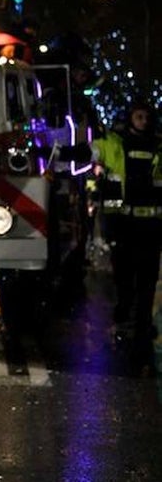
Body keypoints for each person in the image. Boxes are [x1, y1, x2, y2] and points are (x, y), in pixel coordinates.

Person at [91, 101, 162, 369]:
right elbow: (91, 151)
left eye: (146, 117)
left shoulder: (158, 147)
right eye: (139, 116)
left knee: (147, 279)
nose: (143, 121)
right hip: (124, 225)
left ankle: (141, 324)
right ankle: (126, 315)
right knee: (125, 277)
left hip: (151, 227)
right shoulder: (116, 144)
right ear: (130, 118)